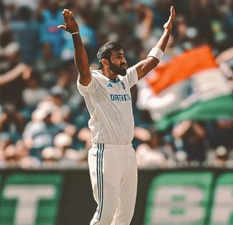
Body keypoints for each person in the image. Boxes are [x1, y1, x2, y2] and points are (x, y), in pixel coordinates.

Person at [57, 6, 175, 225]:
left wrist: (166, 33)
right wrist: (76, 34)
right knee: (106, 212)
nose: (124, 61)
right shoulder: (93, 82)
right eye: (119, 58)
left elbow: (152, 61)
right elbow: (82, 68)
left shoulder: (124, 80)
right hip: (105, 151)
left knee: (125, 216)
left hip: (127, 152)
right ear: (105, 61)